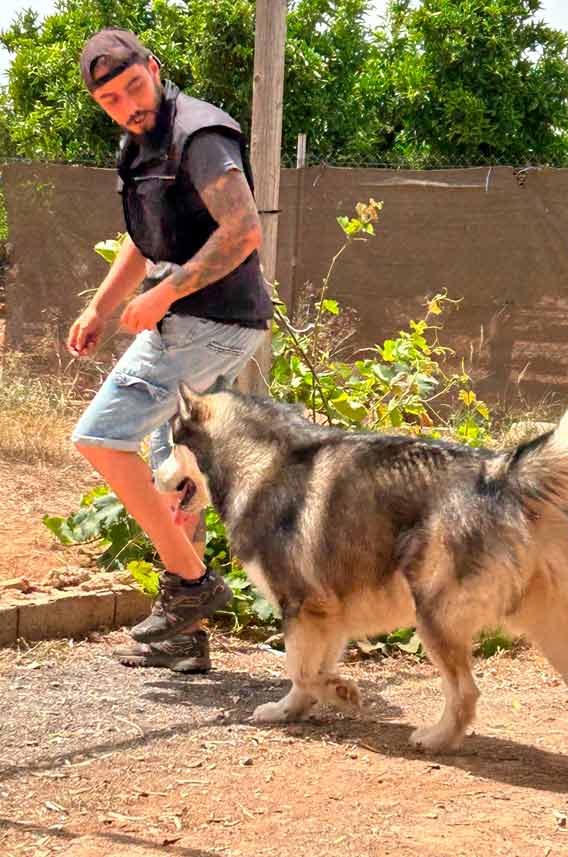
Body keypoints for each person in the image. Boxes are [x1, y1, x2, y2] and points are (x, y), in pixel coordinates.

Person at [68, 28, 273, 672]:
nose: (129, 103)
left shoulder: (199, 135)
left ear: (153, 69)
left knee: (101, 438)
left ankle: (192, 585)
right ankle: (186, 640)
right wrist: (102, 307)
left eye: (134, 85)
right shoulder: (140, 142)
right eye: (112, 99)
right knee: (175, 476)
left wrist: (164, 296)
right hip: (200, 321)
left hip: (204, 322)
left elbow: (242, 231)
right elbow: (142, 239)